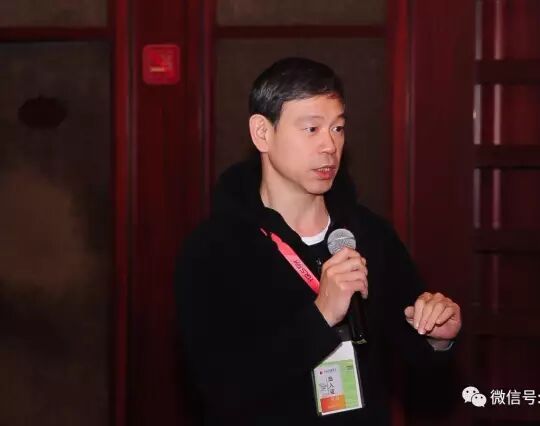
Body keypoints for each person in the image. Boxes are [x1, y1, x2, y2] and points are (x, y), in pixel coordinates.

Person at [175, 57, 462, 425]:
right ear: (262, 133)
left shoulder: (368, 234)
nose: (329, 145)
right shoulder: (213, 249)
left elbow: (417, 363)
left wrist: (438, 338)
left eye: (338, 128)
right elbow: (223, 388)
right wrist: (322, 314)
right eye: (311, 129)